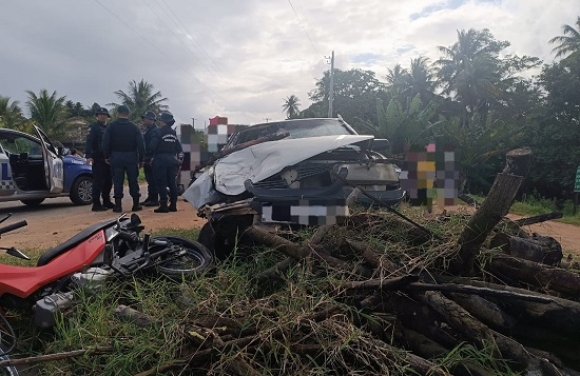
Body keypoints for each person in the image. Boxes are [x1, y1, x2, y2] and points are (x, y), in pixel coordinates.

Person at [101, 105, 146, 213]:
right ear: (128, 114)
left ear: (118, 113)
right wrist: (141, 159)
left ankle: (118, 206)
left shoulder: (111, 127)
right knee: (133, 181)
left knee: (117, 181)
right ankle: (136, 204)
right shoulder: (134, 127)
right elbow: (141, 145)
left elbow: (105, 143)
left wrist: (106, 156)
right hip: (131, 156)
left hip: (116, 156)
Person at [150, 111, 182, 213]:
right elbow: (179, 148)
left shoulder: (158, 132)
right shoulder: (173, 133)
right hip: (172, 160)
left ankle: (163, 205)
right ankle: (173, 205)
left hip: (160, 160)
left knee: (161, 183)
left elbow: (152, 147)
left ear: (163, 121)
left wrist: (151, 157)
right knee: (172, 183)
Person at [84, 107, 114, 211]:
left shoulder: (110, 127)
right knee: (98, 181)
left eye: (104, 114)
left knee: (109, 181)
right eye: (100, 114)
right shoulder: (93, 127)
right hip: (98, 158)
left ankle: (107, 200)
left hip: (109, 158)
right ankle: (96, 203)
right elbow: (89, 142)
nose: (102, 116)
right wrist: (89, 156)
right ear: (97, 116)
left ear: (107, 117)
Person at [140, 111, 160, 207]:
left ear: (151, 120)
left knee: (153, 179)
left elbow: (154, 146)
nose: (144, 120)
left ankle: (154, 199)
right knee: (149, 179)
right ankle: (150, 197)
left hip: (152, 158)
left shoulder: (155, 131)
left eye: (146, 119)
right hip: (147, 157)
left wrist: (152, 157)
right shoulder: (148, 130)